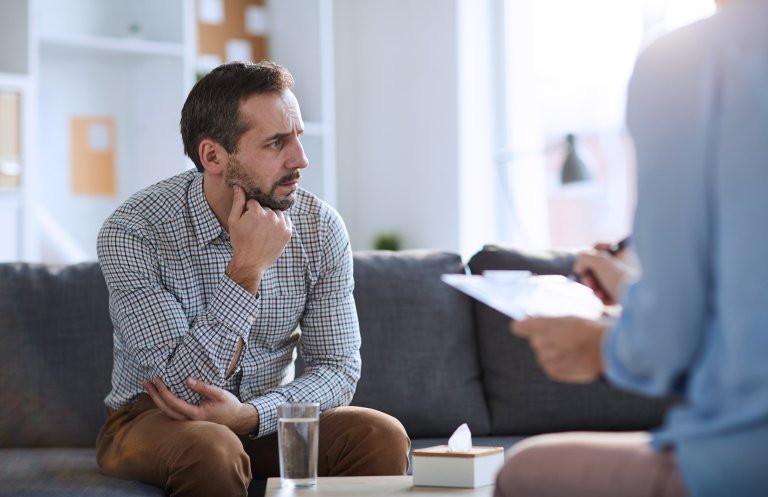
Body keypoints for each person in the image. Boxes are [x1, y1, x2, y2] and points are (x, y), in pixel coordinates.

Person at [95, 61, 410, 497]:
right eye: (277, 142)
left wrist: (252, 415)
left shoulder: (320, 228)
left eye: (298, 136)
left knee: (379, 433)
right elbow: (179, 388)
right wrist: (246, 269)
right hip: (154, 421)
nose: (301, 159)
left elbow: (337, 369)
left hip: (263, 417)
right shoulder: (135, 231)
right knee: (214, 447)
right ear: (213, 156)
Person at [495, 0, 768, 496]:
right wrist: (627, 287)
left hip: (745, 458)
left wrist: (597, 346)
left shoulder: (689, 60)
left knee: (522, 471)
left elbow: (668, 344)